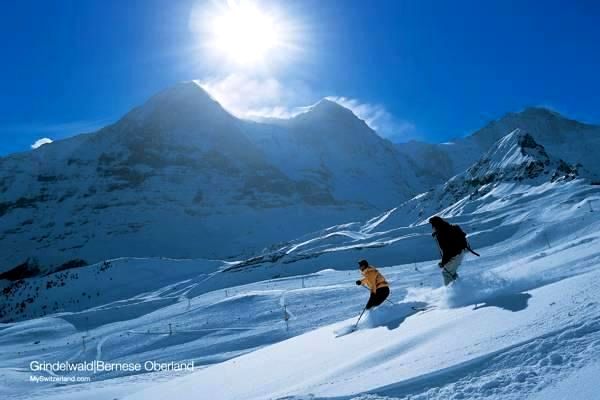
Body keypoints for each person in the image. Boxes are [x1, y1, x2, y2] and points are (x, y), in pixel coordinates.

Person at [429, 216, 478, 286]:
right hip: (460, 252)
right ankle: (461, 287)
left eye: (432, 225)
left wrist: (443, 262)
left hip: (455, 255)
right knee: (451, 272)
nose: (432, 227)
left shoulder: (441, 234)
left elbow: (447, 251)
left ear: (435, 225)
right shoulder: (449, 227)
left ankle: (451, 292)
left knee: (446, 273)